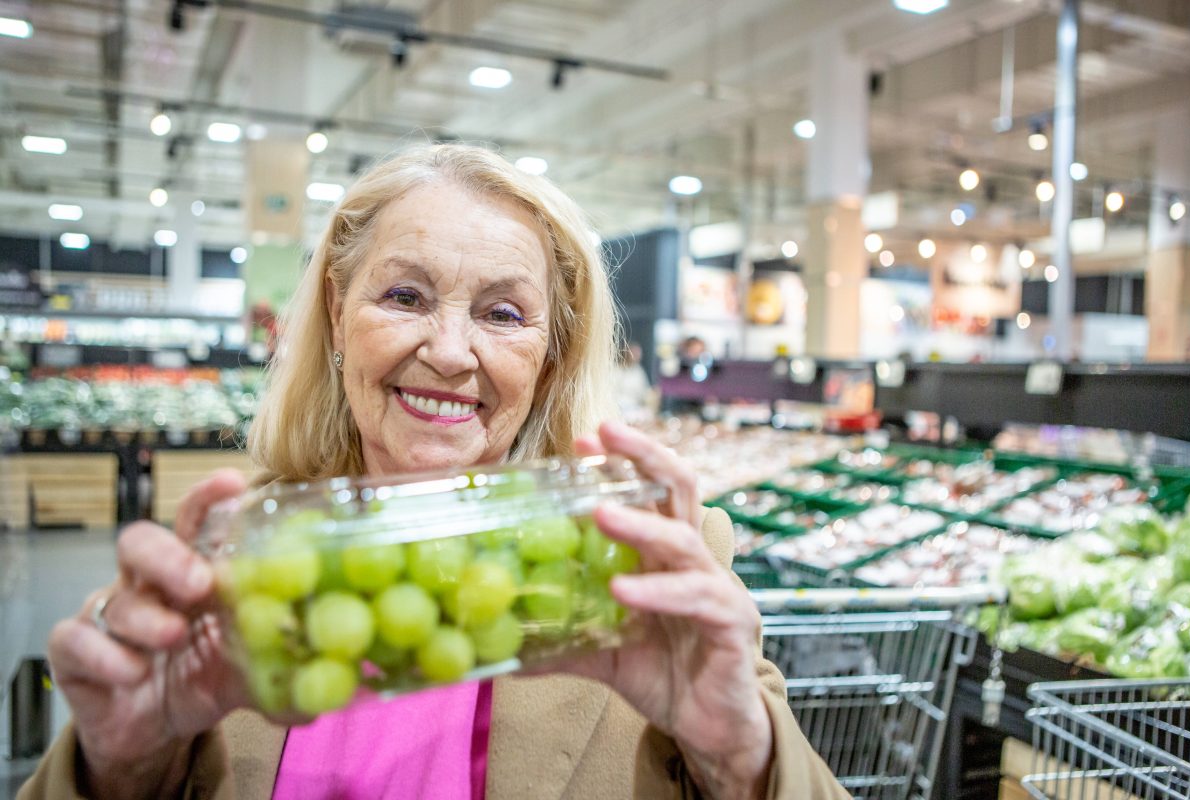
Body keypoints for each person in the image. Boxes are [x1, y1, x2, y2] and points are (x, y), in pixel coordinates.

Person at [19, 145, 847, 800]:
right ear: (338, 315)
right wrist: (121, 770)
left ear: (549, 357)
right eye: (406, 297)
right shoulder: (229, 562)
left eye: (502, 313)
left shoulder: (645, 556)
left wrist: (737, 754)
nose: (450, 353)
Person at [614, 341, 651, 420]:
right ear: (627, 352)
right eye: (634, 353)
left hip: (634, 408)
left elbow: (645, 394)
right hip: (617, 407)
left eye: (638, 354)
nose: (636, 356)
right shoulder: (615, 369)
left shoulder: (639, 372)